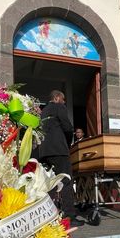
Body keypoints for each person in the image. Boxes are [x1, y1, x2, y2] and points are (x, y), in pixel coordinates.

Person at [39, 90, 84, 227]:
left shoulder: (43, 110)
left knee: (51, 183)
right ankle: (69, 216)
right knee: (66, 181)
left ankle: (50, 215)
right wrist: (67, 143)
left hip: (45, 152)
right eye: (63, 99)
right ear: (57, 98)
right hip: (59, 150)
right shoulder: (59, 107)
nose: (64, 102)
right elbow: (67, 127)